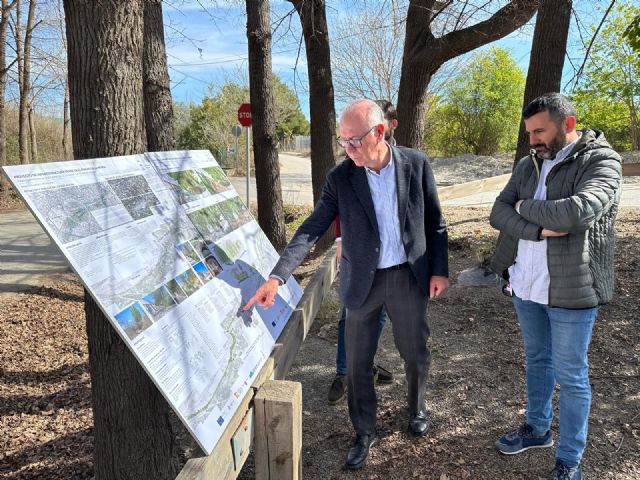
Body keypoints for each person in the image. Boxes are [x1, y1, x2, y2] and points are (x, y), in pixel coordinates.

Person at [245, 99, 449, 470]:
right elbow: (311, 227)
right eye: (344, 141)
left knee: (416, 352)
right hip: (362, 284)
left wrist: (439, 270)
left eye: (355, 140)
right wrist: (278, 276)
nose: (349, 148)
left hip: (407, 276)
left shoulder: (416, 164)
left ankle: (417, 408)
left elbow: (435, 220)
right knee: (356, 363)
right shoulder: (341, 178)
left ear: (381, 132)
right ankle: (364, 431)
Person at [489, 93, 622, 480]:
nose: (533, 140)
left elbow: (578, 212)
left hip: (572, 290)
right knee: (537, 361)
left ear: (568, 123)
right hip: (526, 283)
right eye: (529, 132)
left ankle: (569, 460)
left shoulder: (602, 160)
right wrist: (539, 227)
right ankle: (538, 429)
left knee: (572, 374)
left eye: (540, 131)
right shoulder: (528, 163)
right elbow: (498, 211)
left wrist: (523, 208)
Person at [328, 99, 399, 405]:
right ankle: (344, 371)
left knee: (378, 314)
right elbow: (343, 203)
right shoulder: (354, 158)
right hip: (357, 255)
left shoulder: (401, 161)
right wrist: (341, 238)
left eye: (392, 123)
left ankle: (365, 365)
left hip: (388, 262)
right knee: (351, 312)